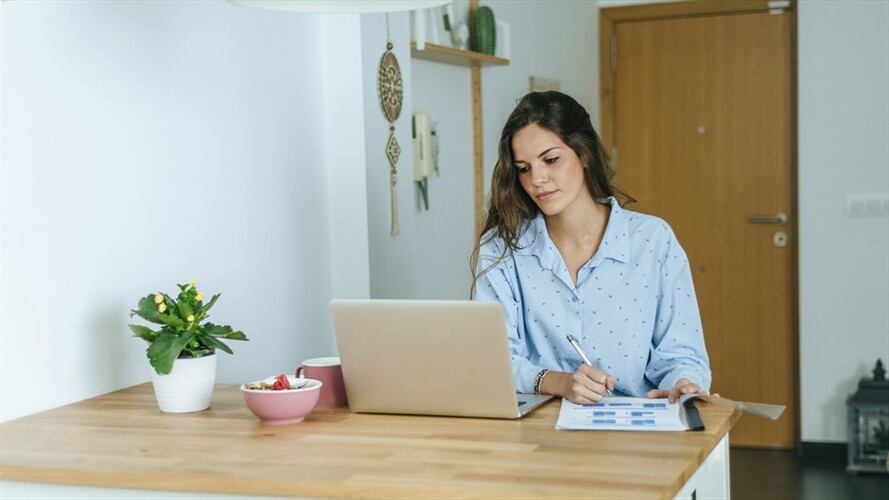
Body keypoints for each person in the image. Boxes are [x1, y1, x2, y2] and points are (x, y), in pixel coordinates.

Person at [471, 91, 711, 405]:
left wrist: (684, 384)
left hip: (638, 428)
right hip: (537, 431)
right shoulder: (501, 249)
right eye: (523, 168)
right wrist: (559, 382)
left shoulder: (653, 240)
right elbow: (492, 361)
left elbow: (683, 354)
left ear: (584, 155)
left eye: (551, 160)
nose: (537, 179)